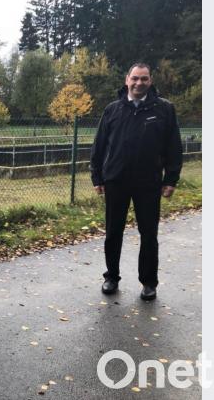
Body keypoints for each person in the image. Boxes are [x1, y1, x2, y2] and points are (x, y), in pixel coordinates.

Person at [89, 63, 183, 301]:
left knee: (149, 234)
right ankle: (111, 277)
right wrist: (97, 176)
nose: (139, 83)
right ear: (127, 80)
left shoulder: (164, 109)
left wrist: (171, 179)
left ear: (150, 81)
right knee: (113, 232)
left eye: (144, 79)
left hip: (148, 182)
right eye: (135, 78)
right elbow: (99, 145)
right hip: (116, 180)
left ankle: (149, 282)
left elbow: (173, 147)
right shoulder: (112, 110)